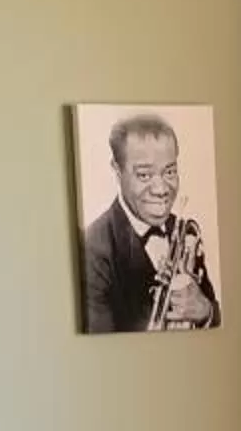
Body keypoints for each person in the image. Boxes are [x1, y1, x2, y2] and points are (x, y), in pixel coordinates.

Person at [82, 113, 220, 332]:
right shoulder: (93, 248)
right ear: (118, 172)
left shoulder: (184, 232)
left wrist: (205, 310)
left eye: (170, 172)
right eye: (144, 175)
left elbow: (217, 322)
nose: (161, 189)